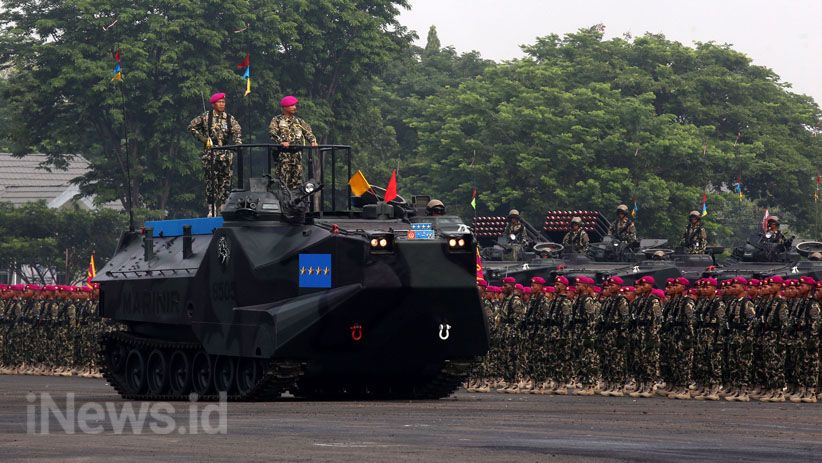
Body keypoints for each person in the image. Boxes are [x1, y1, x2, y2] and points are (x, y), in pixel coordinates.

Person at [188, 92, 243, 216]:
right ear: (214, 104)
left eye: (223, 102)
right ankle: (211, 208)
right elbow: (191, 127)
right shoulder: (206, 117)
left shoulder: (229, 118)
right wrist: (203, 139)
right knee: (211, 182)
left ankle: (223, 207)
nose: (222, 104)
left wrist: (237, 143)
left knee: (226, 182)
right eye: (219, 102)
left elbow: (237, 131)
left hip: (226, 152)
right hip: (211, 154)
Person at [268, 95, 319, 189]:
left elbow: (308, 132)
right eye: (292, 105)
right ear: (285, 107)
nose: (294, 107)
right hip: (283, 156)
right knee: (283, 181)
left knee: (297, 181)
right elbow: (272, 133)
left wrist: (313, 141)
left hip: (297, 156)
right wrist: (281, 142)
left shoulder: (298, 121)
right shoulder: (277, 120)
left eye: (294, 105)